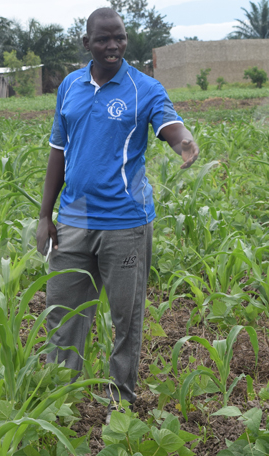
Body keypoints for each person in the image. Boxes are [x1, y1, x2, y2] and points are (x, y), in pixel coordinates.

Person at [35, 7, 199, 422]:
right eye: (104, 39)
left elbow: (170, 125)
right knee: (64, 314)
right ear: (86, 42)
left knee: (127, 318)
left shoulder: (144, 88)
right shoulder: (70, 86)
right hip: (73, 223)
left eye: (120, 38)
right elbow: (58, 151)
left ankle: (120, 402)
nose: (113, 46)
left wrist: (184, 142)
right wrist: (45, 215)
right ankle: (61, 399)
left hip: (125, 225)